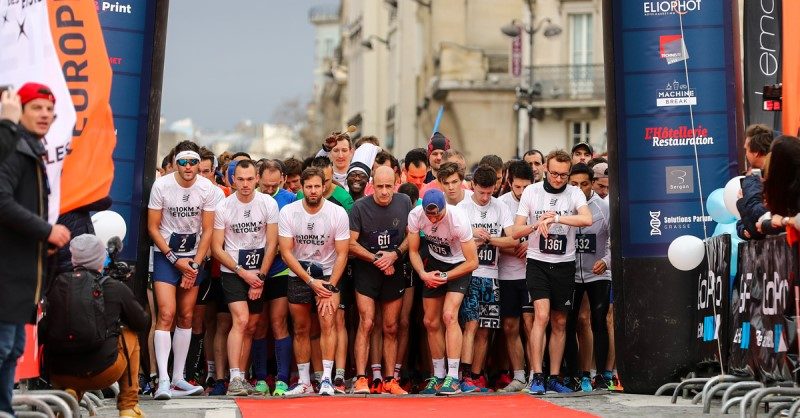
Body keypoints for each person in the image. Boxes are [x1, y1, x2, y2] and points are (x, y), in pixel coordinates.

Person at [0, 83, 71, 414]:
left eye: (49, 109)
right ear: (19, 111)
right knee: (3, 346)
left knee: (12, 347)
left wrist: (44, 243)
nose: (45, 114)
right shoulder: (13, 149)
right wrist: (46, 231)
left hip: (24, 274)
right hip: (7, 274)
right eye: (36, 108)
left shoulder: (31, 150)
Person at [512, 149, 592, 395]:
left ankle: (555, 376)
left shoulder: (575, 192)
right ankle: (537, 375)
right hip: (537, 262)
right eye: (554, 173)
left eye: (563, 175)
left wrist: (557, 218)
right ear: (546, 169)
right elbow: (515, 232)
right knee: (542, 316)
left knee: (560, 321)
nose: (558, 179)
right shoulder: (532, 192)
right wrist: (537, 225)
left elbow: (586, 219)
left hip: (564, 264)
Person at [147, 140, 220, 399]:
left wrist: (195, 265)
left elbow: (208, 229)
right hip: (167, 256)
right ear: (175, 163)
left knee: (187, 316)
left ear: (199, 164)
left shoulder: (206, 188)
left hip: (193, 257)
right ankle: (164, 380)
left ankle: (179, 377)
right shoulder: (162, 185)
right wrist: (172, 257)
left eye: (192, 162)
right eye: (182, 162)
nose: (188, 167)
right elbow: (153, 227)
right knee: (166, 314)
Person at [46, 235, 149, 417]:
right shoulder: (114, 287)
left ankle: (71, 392)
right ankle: (128, 406)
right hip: (103, 372)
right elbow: (141, 322)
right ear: (101, 258)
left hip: (60, 373)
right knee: (130, 332)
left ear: (73, 258)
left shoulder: (57, 284)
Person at [278, 167, 350, 396]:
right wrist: (309, 281)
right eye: (308, 186)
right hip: (300, 274)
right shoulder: (289, 212)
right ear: (302, 187)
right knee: (300, 328)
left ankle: (327, 379)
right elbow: (286, 252)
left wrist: (329, 285)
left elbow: (343, 253)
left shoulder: (337, 213)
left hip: (329, 274)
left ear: (324, 187)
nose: (313, 191)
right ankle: (304, 381)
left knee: (328, 325)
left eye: (317, 186)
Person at [211, 160, 279, 396]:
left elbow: (272, 243)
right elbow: (216, 248)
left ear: (257, 178)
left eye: (250, 179)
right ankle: (235, 378)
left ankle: (241, 375)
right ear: (233, 180)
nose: (245, 184)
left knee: (251, 326)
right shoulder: (224, 207)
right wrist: (243, 273)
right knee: (240, 320)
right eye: (240, 179)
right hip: (234, 271)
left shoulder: (268, 204)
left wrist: (259, 277)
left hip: (260, 271)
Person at [349, 166, 413, 395]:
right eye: (380, 187)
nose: (384, 192)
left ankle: (390, 379)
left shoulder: (405, 202)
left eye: (389, 186)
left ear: (396, 184)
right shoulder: (359, 207)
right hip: (367, 270)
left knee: (391, 327)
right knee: (366, 323)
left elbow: (412, 234)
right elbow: (350, 243)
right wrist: (377, 259)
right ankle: (361, 378)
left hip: (394, 268)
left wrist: (394, 255)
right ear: (371, 186)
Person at [408, 189, 479, 395]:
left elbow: (473, 262)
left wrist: (446, 277)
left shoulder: (458, 219)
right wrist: (423, 273)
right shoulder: (415, 215)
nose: (432, 219)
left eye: (436, 214)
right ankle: (438, 375)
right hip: (435, 263)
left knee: (449, 315)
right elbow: (413, 250)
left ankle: (453, 376)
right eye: (429, 215)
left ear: (444, 208)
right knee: (430, 321)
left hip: (459, 265)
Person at [456, 165, 516, 392]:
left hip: (492, 275)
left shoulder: (500, 207)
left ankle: (477, 376)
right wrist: (473, 237)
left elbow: (512, 240)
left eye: (490, 193)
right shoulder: (462, 208)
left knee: (485, 329)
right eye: (481, 192)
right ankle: (464, 375)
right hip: (469, 274)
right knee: (469, 326)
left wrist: (490, 239)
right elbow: (454, 242)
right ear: (473, 186)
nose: (485, 197)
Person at [563, 163, 612, 392]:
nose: (579, 188)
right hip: (570, 273)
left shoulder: (603, 208)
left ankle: (602, 374)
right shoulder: (564, 205)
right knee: (569, 322)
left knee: (598, 320)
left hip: (597, 273)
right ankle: (574, 374)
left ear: (592, 183)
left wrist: (606, 261)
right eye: (574, 184)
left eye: (584, 184)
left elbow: (615, 240)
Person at [252, 159, 297, 395]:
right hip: (253, 271)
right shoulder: (251, 197)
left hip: (280, 268)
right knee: (258, 325)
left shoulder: (290, 199)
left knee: (279, 322)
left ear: (281, 179)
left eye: (274, 185)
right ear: (258, 178)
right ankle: (260, 378)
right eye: (265, 185)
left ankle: (281, 378)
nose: (269, 190)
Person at [496, 161, 535, 393]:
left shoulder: (538, 198)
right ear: (509, 182)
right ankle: (518, 376)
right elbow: (498, 238)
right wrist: (514, 245)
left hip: (532, 273)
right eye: (517, 187)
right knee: (510, 326)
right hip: (507, 273)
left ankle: (534, 374)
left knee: (531, 325)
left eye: (526, 187)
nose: (521, 192)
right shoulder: (501, 204)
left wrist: (529, 244)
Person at [736, 124, 774, 240]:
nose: (746, 154)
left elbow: (757, 223)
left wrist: (743, 201)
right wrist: (743, 230)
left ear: (756, 152)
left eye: (746, 150)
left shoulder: (774, 173)